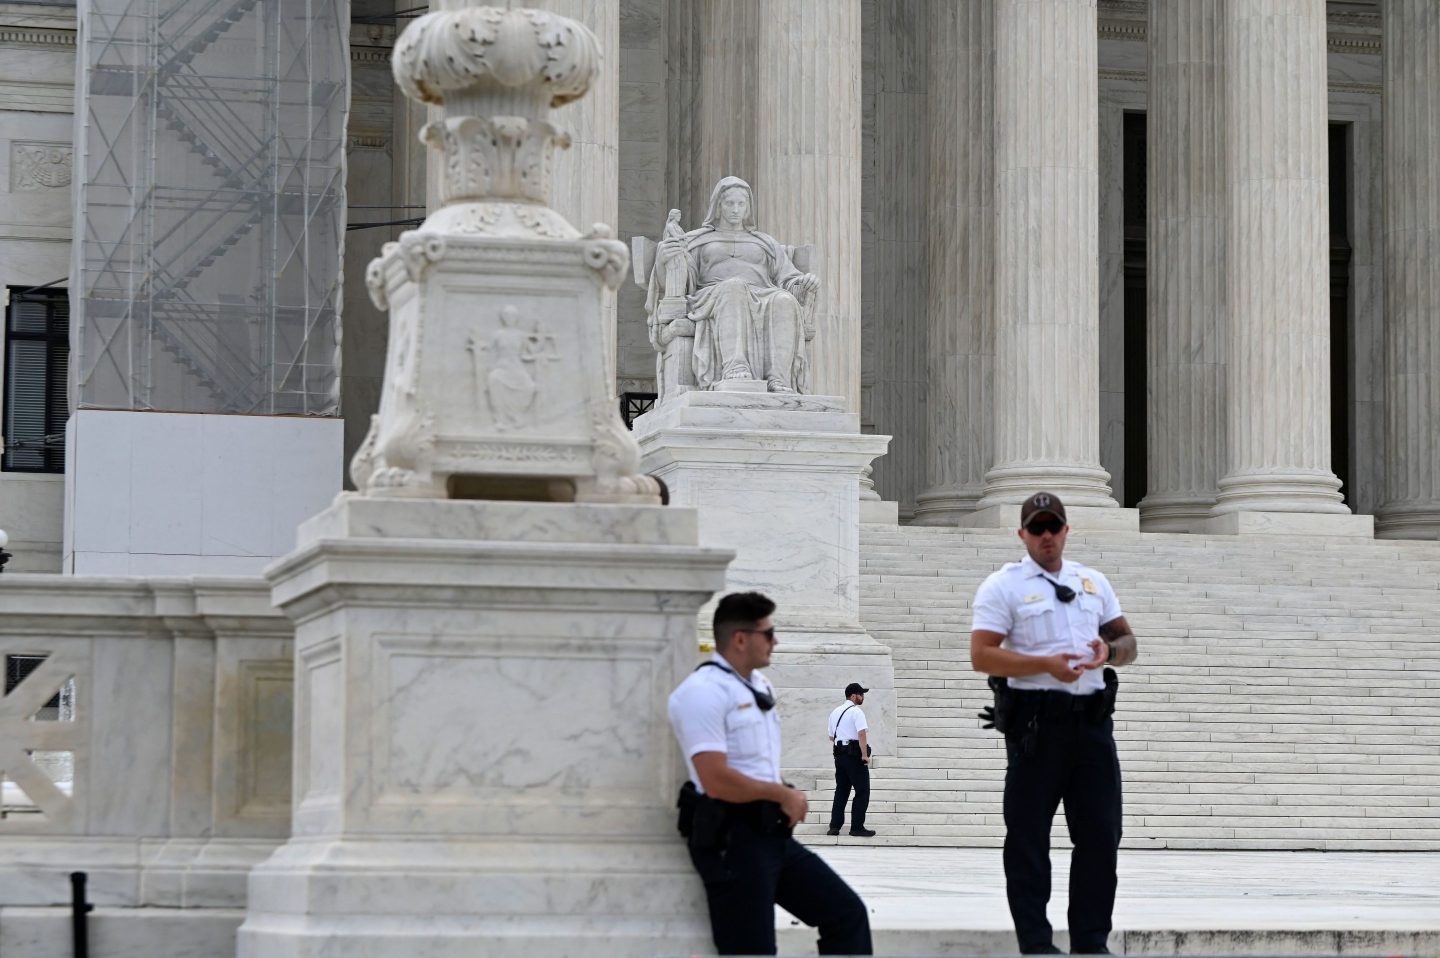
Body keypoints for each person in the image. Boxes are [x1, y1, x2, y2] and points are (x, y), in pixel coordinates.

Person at [969, 492, 1138, 956]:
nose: (1047, 536)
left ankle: (1090, 941)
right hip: (1036, 727)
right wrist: (1045, 665)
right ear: (1022, 533)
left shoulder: (1093, 582)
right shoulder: (1002, 586)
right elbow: (982, 655)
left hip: (1091, 726)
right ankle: (1037, 944)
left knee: (1101, 836)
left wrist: (1110, 653)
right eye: (1037, 528)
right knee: (1028, 838)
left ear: (1066, 530)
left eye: (1054, 527)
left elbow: (1126, 640)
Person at [668, 591, 872, 956]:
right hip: (732, 842)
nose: (775, 641)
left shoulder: (759, 686)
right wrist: (782, 795)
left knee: (847, 915)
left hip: (771, 834)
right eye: (768, 633)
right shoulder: (701, 692)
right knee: (752, 950)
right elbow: (715, 778)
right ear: (741, 638)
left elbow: (754, 763)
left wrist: (781, 794)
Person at [652, 175, 821, 392]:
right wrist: (663, 258)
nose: (735, 209)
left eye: (741, 204)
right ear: (718, 206)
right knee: (734, 287)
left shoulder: (764, 242)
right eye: (730, 203)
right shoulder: (696, 240)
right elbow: (676, 279)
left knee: (785, 300)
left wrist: (804, 282)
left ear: (748, 208)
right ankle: (734, 366)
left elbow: (788, 278)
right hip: (711, 297)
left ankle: (778, 378)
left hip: (763, 294)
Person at [826, 682, 875, 837]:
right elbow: (861, 734)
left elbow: (831, 736)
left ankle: (834, 826)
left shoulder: (835, 712)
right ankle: (857, 827)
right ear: (853, 695)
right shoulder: (856, 711)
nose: (863, 697)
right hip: (854, 756)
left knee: (841, 791)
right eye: (861, 694)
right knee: (862, 791)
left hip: (839, 756)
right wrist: (864, 755)